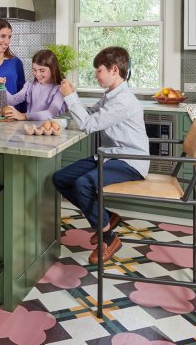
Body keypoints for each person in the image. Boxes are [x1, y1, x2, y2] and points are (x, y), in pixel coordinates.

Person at [52, 46, 149, 265]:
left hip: (130, 161)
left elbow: (87, 125)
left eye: (99, 70)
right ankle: (106, 217)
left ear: (114, 70)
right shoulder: (111, 96)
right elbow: (90, 114)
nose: (96, 75)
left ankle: (108, 237)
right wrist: (72, 98)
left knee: (83, 184)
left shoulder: (123, 101)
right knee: (60, 178)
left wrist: (70, 97)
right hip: (110, 156)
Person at [0, 49, 66, 121]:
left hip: (53, 130)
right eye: (34, 70)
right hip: (31, 128)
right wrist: (1, 86)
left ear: (53, 69)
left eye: (42, 70)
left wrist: (24, 116)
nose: (37, 74)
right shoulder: (30, 85)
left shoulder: (61, 88)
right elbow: (11, 101)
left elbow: (51, 113)